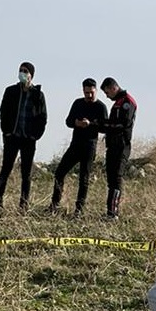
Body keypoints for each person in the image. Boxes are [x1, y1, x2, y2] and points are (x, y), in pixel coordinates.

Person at [50, 78, 108, 215]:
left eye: (91, 93)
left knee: (84, 179)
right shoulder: (78, 103)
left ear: (96, 91)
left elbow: (105, 127)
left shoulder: (101, 107)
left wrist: (91, 124)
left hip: (90, 146)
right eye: (86, 92)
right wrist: (76, 123)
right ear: (83, 90)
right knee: (59, 172)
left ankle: (79, 210)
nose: (88, 95)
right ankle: (54, 204)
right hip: (75, 144)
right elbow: (68, 121)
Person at [0, 61, 47, 210]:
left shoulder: (38, 95)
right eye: (20, 70)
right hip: (12, 137)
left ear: (31, 75)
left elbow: (43, 117)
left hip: (28, 139)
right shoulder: (10, 91)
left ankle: (23, 205)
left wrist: (35, 135)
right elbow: (3, 112)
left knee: (26, 173)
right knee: (6, 169)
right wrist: (6, 131)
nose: (22, 73)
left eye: (25, 71)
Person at [90, 77, 137, 219]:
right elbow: (111, 123)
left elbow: (122, 125)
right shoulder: (118, 102)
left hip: (122, 146)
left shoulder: (127, 102)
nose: (106, 96)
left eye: (107, 92)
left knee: (116, 178)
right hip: (112, 146)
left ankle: (113, 213)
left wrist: (102, 126)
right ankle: (110, 212)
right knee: (111, 179)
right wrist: (98, 124)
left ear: (113, 88)